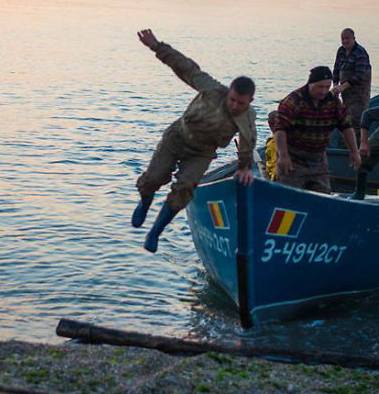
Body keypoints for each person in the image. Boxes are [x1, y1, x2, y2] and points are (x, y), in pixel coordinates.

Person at [132, 29, 257, 253]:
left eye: (241, 103)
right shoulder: (211, 89)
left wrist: (244, 167)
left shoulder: (248, 116)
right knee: (153, 179)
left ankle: (155, 232)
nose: (235, 106)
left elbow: (248, 142)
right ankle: (145, 201)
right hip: (177, 137)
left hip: (201, 152)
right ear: (228, 92)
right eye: (232, 100)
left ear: (250, 100)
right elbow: (185, 67)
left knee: (184, 188)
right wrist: (156, 45)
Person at [268, 66, 361, 193]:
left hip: (318, 160)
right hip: (293, 159)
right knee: (288, 197)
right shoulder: (294, 100)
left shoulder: (333, 101)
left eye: (327, 87)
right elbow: (280, 129)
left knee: (322, 196)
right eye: (320, 87)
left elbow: (346, 126)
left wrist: (354, 152)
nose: (323, 91)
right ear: (310, 84)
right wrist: (283, 156)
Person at [331, 28, 371, 128]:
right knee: (346, 116)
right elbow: (336, 69)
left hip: (359, 94)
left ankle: (358, 142)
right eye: (343, 39)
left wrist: (343, 87)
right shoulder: (340, 51)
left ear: (354, 38)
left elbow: (360, 75)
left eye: (347, 38)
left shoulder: (360, 52)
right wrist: (335, 85)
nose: (345, 41)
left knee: (357, 120)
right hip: (346, 94)